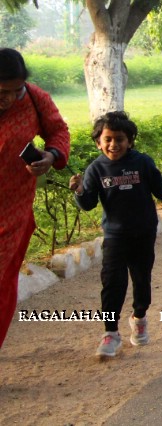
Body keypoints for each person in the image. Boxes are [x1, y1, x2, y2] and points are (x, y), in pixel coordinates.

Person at [70, 111, 162, 358]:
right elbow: (87, 203)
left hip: (143, 233)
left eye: (119, 139)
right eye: (107, 139)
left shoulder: (142, 162)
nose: (113, 144)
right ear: (99, 142)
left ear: (130, 140)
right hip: (114, 236)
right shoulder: (96, 169)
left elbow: (159, 187)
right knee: (112, 283)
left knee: (141, 280)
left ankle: (139, 317)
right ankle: (111, 333)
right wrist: (79, 190)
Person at [0, 48, 70, 349]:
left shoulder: (34, 98)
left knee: (2, 284)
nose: (9, 98)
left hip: (13, 212)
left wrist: (51, 155)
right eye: (2, 91)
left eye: (16, 91)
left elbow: (58, 131)